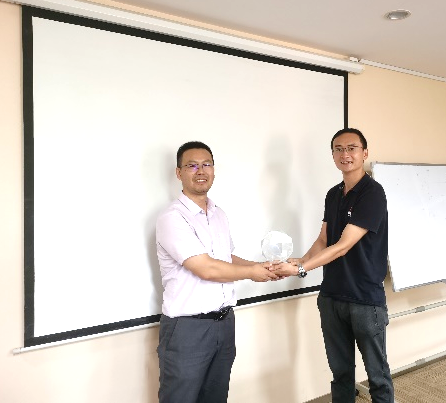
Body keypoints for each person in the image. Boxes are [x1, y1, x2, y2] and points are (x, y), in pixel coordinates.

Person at [272, 128, 394, 403]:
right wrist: (300, 260)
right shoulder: (333, 194)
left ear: (364, 153)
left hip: (365, 300)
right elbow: (324, 239)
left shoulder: (373, 193)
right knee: (341, 374)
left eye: (351, 148)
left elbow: (343, 246)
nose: (345, 154)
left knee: (377, 376)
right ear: (333, 155)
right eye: (338, 149)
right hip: (331, 298)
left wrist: (301, 270)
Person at [155, 141, 279, 403]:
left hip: (224, 324)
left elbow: (225, 259)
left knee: (216, 397)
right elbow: (206, 268)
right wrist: (252, 272)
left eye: (206, 164)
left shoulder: (218, 214)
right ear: (179, 172)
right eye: (192, 165)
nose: (201, 171)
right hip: (187, 329)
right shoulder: (173, 218)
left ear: (213, 170)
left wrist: (263, 267)